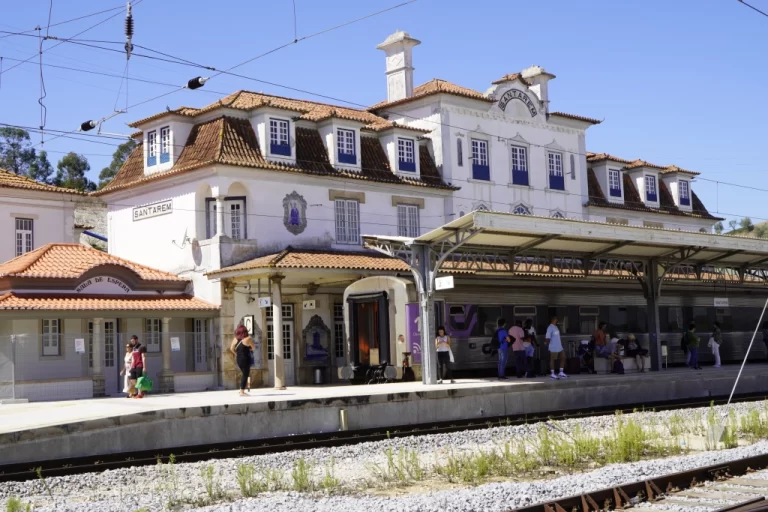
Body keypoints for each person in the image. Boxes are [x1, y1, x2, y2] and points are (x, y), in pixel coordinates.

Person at [230, 325, 256, 396]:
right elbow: (253, 348)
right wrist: (249, 349)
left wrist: (236, 354)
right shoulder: (248, 339)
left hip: (238, 359)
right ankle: (242, 391)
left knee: (244, 374)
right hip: (245, 359)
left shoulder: (235, 339)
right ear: (245, 332)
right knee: (245, 374)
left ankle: (242, 389)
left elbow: (231, 349)